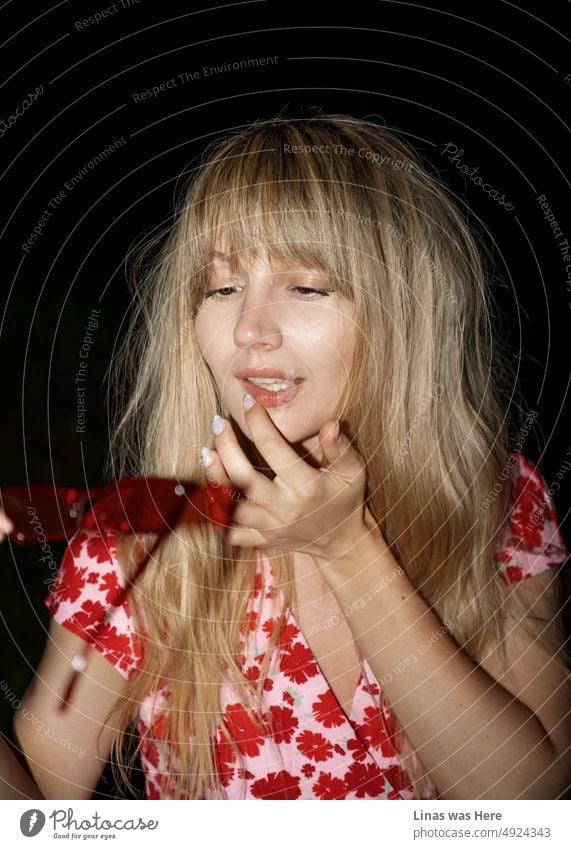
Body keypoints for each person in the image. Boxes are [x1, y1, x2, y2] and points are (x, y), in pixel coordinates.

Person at [2, 111, 570, 801]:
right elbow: (33, 811)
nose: (248, 329)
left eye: (306, 286)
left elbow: (523, 800)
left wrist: (347, 548)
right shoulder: (137, 541)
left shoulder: (495, 503)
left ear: (403, 313)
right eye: (220, 287)